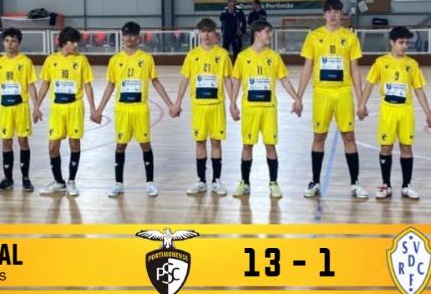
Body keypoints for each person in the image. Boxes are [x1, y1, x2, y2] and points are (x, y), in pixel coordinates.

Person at [93, 21, 175, 197]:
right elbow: (110, 85)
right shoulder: (115, 60)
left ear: (138, 37)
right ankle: (118, 183)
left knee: (145, 145)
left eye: (132, 35)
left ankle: (150, 183)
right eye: (126, 35)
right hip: (122, 109)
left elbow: (155, 82)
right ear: (122, 37)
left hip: (140, 109)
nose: (129, 38)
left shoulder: (146, 58)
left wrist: (170, 104)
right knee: (120, 145)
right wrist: (99, 109)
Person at [296, 0, 366, 199]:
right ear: (324, 14)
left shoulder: (350, 37)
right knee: (319, 137)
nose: (333, 15)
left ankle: (355, 183)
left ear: (341, 14)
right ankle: (315, 182)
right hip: (322, 93)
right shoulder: (314, 36)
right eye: (329, 11)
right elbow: (307, 67)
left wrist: (361, 100)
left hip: (343, 93)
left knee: (349, 137)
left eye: (336, 11)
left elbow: (354, 69)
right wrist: (299, 97)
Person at [358, 26, 431, 200]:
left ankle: (406, 186)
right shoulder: (380, 62)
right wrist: (361, 105)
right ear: (391, 42)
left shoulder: (412, 64)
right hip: (388, 111)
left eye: (407, 43)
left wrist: (429, 113)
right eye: (401, 42)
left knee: (406, 147)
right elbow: (369, 84)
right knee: (386, 147)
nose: (404, 46)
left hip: (405, 111)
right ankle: (386, 185)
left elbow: (419, 89)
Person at [230, 20, 302, 198]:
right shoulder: (242, 56)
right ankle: (245, 182)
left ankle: (273, 182)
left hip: (269, 109)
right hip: (250, 109)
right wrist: (232, 103)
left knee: (271, 145)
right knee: (247, 146)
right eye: (267, 32)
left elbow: (284, 79)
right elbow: (236, 81)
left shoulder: (274, 57)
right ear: (257, 33)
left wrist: (296, 98)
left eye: (270, 32)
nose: (270, 35)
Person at [171, 18, 234, 195]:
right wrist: (178, 101)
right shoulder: (192, 55)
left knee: (216, 142)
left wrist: (233, 103)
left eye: (209, 31)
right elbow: (185, 79)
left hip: (216, 105)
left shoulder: (222, 55)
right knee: (199, 142)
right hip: (198, 106)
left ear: (215, 33)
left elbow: (227, 80)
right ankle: (201, 180)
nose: (206, 35)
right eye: (203, 31)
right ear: (199, 34)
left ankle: (216, 181)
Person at [33, 26, 96, 196]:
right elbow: (45, 84)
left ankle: (71, 181)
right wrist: (36, 106)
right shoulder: (51, 60)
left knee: (74, 143)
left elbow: (87, 85)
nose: (75, 45)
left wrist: (93, 109)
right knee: (53, 145)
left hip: (75, 106)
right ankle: (58, 181)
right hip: (57, 108)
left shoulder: (81, 60)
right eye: (72, 42)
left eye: (76, 42)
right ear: (63, 42)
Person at [0, 27, 39, 192]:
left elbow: (31, 85)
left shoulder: (25, 62)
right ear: (3, 42)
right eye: (7, 40)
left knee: (23, 141)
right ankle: (8, 179)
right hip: (5, 108)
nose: (9, 44)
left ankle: (26, 178)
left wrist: (36, 106)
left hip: (21, 107)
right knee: (6, 141)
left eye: (13, 41)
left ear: (18, 43)